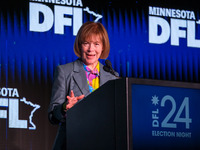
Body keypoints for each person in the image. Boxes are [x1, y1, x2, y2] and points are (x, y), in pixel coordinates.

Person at [48, 21, 118, 150]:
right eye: (86, 43)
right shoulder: (64, 71)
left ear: (103, 47)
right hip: (72, 143)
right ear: (79, 46)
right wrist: (64, 107)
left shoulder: (112, 76)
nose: (91, 49)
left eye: (96, 44)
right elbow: (53, 116)